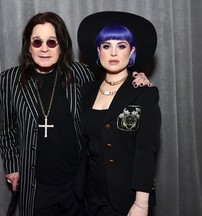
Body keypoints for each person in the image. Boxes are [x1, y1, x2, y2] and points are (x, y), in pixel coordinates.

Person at [0, 12, 151, 216]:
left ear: (62, 45)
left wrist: (137, 77)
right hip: (36, 186)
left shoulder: (80, 73)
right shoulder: (10, 79)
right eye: (37, 42)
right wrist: (12, 167)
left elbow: (112, 79)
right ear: (28, 46)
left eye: (52, 42)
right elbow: (7, 130)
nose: (44, 48)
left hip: (78, 186)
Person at [77, 11, 161, 216]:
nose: (113, 53)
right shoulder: (86, 90)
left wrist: (141, 203)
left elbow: (146, 152)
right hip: (88, 197)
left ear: (131, 51)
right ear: (98, 52)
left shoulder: (144, 92)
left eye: (121, 46)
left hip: (126, 198)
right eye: (107, 46)